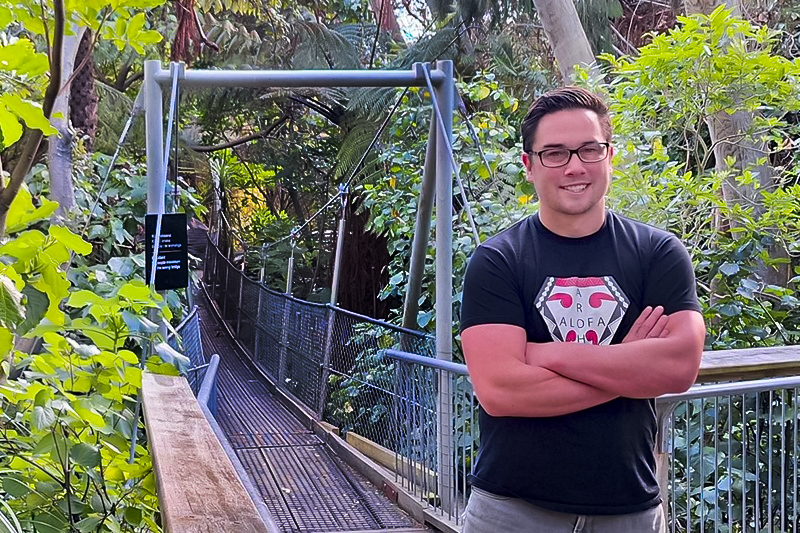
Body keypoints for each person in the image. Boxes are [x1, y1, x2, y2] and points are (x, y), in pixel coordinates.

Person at [459, 86, 706, 533]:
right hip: (512, 513)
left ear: (610, 157)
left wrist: (547, 354)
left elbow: (678, 367)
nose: (575, 165)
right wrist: (627, 366)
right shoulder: (496, 261)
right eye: (554, 153)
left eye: (589, 149)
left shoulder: (659, 254)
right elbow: (500, 392)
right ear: (528, 166)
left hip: (630, 512)